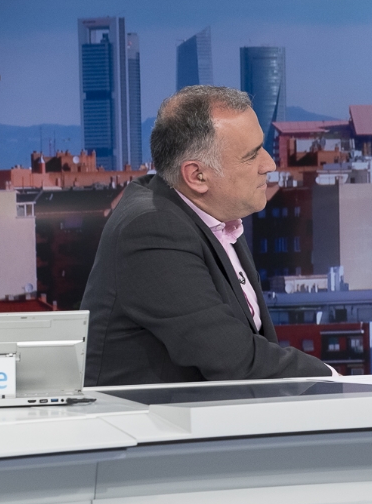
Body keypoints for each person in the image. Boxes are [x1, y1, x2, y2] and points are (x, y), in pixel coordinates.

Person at [82, 86, 336, 385]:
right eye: (251, 155)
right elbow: (232, 358)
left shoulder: (213, 214)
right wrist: (336, 382)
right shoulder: (152, 230)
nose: (269, 164)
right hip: (151, 415)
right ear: (197, 176)